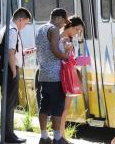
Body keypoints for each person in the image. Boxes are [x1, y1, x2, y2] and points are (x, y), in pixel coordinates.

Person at [0, 7, 31, 143]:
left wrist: (26, 52)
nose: (25, 26)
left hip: (7, 69)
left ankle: (8, 134)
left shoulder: (6, 28)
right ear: (20, 19)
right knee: (9, 104)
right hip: (10, 70)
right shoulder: (13, 30)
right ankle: (8, 135)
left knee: (8, 104)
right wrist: (14, 72)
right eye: (25, 23)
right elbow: (10, 53)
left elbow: (12, 51)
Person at [36, 8, 72, 144]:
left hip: (43, 74)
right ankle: (57, 138)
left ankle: (44, 136)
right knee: (58, 107)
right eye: (63, 21)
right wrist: (66, 56)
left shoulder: (41, 29)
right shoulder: (54, 29)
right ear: (58, 18)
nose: (63, 24)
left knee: (44, 106)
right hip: (55, 75)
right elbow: (55, 51)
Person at [59, 16, 85, 142]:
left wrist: (83, 60)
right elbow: (68, 60)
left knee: (64, 108)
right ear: (70, 26)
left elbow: (70, 60)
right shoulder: (63, 39)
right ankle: (61, 136)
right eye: (76, 30)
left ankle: (61, 135)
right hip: (64, 76)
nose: (76, 33)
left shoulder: (66, 38)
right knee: (64, 108)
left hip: (64, 75)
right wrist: (84, 60)